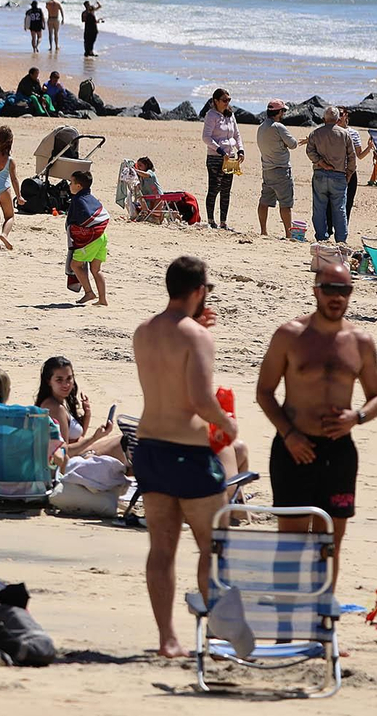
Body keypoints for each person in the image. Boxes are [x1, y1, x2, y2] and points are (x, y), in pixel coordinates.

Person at [131, 256, 238, 658]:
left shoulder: (143, 331)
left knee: (162, 549)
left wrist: (196, 327)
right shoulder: (197, 336)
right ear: (197, 291)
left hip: (151, 448)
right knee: (212, 546)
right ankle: (215, 635)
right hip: (188, 453)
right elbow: (198, 399)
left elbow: (169, 369)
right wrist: (227, 424)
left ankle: (167, 640)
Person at [256, 265, 377, 580]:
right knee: (290, 545)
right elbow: (264, 392)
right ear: (316, 290)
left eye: (345, 290)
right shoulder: (290, 335)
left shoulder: (360, 342)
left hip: (339, 453)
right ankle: (285, 624)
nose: (337, 297)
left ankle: (319, 623)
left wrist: (357, 417)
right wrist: (288, 434)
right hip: (293, 449)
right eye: (330, 289)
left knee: (330, 545)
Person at [35, 356, 124, 461]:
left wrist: (87, 415)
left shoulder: (58, 402)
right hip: (74, 461)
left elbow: (77, 436)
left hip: (80, 454)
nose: (66, 384)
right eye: (59, 380)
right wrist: (94, 438)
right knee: (125, 445)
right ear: (49, 381)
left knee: (125, 443)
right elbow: (62, 453)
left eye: (69, 378)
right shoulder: (55, 408)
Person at [306, 106, 355, 243]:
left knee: (319, 207)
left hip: (320, 173)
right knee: (339, 208)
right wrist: (349, 173)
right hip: (339, 174)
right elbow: (352, 156)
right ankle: (341, 239)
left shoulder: (316, 133)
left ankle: (321, 237)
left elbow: (310, 151)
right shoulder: (344, 134)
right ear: (338, 119)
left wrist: (321, 163)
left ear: (323, 119)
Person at [256, 98, 298, 238]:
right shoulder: (278, 127)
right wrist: (283, 145)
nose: (284, 113)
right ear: (278, 112)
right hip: (281, 169)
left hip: (267, 170)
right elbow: (293, 144)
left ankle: (263, 231)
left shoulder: (261, 127)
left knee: (264, 201)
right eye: (283, 111)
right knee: (285, 204)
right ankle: (288, 234)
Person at [201, 88, 243, 230]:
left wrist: (241, 150)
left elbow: (236, 135)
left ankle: (223, 222)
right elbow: (206, 137)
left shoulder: (230, 115)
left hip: (230, 157)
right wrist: (219, 150)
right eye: (224, 100)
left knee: (226, 190)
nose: (227, 103)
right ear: (216, 101)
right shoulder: (211, 115)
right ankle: (211, 220)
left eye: (228, 100)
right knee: (214, 188)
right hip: (215, 157)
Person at [66, 170, 109, 305]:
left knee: (75, 265)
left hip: (91, 239)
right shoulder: (91, 197)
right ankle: (102, 300)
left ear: (78, 186)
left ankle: (89, 293)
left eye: (71, 182)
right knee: (96, 270)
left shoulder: (78, 200)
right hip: (102, 236)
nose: (69, 185)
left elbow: (84, 218)